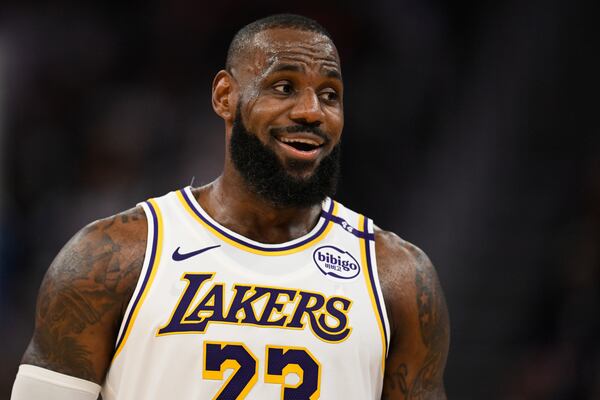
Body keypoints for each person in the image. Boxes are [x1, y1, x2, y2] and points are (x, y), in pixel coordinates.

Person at [11, 14, 449, 400]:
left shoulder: (397, 278)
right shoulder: (112, 257)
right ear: (225, 96)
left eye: (330, 94)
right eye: (284, 87)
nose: (312, 111)